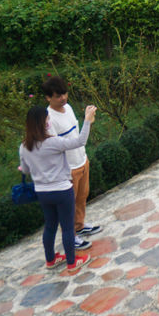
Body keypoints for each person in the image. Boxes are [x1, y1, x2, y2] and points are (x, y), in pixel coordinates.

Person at [19, 104, 96, 272]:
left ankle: (51, 259)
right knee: (68, 228)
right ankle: (71, 262)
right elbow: (80, 141)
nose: (49, 121)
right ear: (43, 123)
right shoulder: (53, 142)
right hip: (62, 190)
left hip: (42, 193)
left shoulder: (24, 147)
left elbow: (25, 170)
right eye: (47, 119)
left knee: (50, 226)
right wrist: (88, 121)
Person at [42, 76, 102, 250]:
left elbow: (76, 133)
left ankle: (79, 226)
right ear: (48, 98)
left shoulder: (67, 108)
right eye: (57, 96)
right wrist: (87, 121)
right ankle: (71, 237)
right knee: (68, 205)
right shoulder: (48, 120)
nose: (63, 98)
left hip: (81, 160)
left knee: (82, 197)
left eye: (64, 94)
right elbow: (58, 146)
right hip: (67, 168)